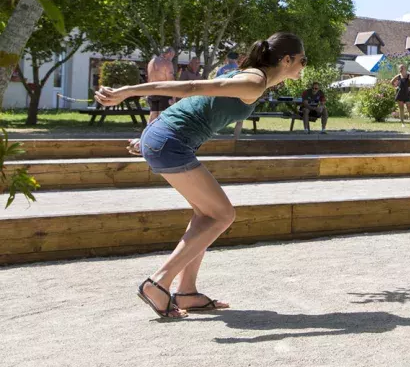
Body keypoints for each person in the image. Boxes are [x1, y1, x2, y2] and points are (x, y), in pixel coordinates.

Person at [95, 32, 307, 319]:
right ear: (286, 60)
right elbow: (192, 87)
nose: (303, 66)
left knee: (205, 215)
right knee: (222, 215)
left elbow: (194, 107)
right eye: (302, 60)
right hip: (171, 142)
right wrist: (128, 91)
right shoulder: (254, 80)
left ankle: (187, 291)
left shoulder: (252, 77)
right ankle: (158, 282)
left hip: (166, 138)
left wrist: (149, 136)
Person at [146, 47, 177, 122]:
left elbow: (149, 78)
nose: (172, 58)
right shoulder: (167, 63)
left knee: (152, 115)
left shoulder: (151, 62)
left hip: (152, 91)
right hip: (163, 91)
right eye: (172, 55)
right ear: (169, 54)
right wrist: (174, 98)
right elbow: (171, 81)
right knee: (162, 116)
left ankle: (148, 132)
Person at [390, 63, 410, 128]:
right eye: (399, 68)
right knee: (401, 108)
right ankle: (403, 123)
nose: (400, 69)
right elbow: (391, 82)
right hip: (400, 93)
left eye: (401, 68)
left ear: (405, 69)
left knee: (409, 108)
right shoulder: (398, 76)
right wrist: (395, 87)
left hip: (407, 93)